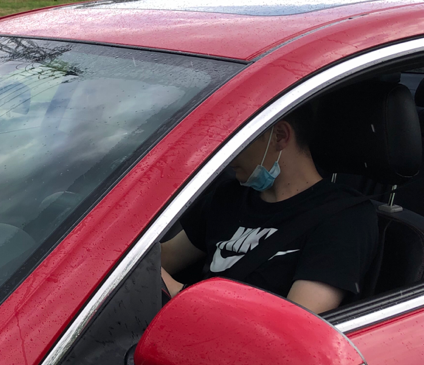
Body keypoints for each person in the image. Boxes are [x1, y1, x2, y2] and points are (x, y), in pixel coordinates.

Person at [161, 105, 378, 314]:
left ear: (280, 136)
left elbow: (294, 323)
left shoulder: (344, 219)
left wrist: (178, 292)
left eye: (236, 140)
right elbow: (167, 257)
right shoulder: (229, 195)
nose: (227, 155)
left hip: (233, 335)